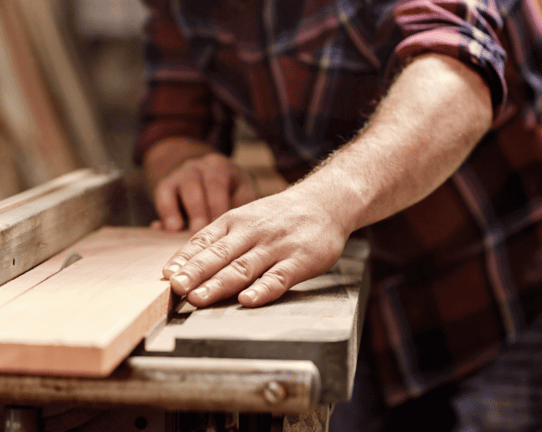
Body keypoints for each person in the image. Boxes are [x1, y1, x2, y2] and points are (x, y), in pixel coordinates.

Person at [135, 0, 542, 429]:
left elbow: (458, 74)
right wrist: (187, 167)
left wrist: (323, 205)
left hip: (510, 296)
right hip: (375, 312)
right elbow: (172, 122)